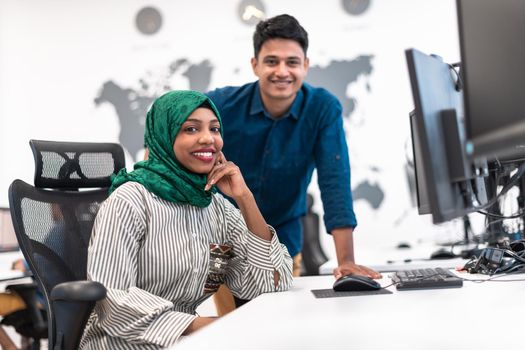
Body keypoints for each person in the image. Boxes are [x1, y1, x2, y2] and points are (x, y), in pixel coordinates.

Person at [80, 90, 293, 349]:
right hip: (120, 341)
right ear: (164, 137)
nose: (208, 138)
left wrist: (245, 198)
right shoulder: (130, 200)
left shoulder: (215, 207)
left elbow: (269, 285)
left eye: (215, 129)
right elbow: (112, 299)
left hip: (189, 340)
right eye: (191, 129)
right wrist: (205, 326)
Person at [206, 14, 381, 313]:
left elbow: (334, 180)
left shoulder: (323, 108)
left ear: (306, 65)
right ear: (255, 65)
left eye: (292, 62)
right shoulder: (221, 105)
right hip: (222, 241)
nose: (282, 71)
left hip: (282, 238)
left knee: (280, 323)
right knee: (233, 327)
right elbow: (172, 127)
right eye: (271, 61)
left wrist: (346, 262)